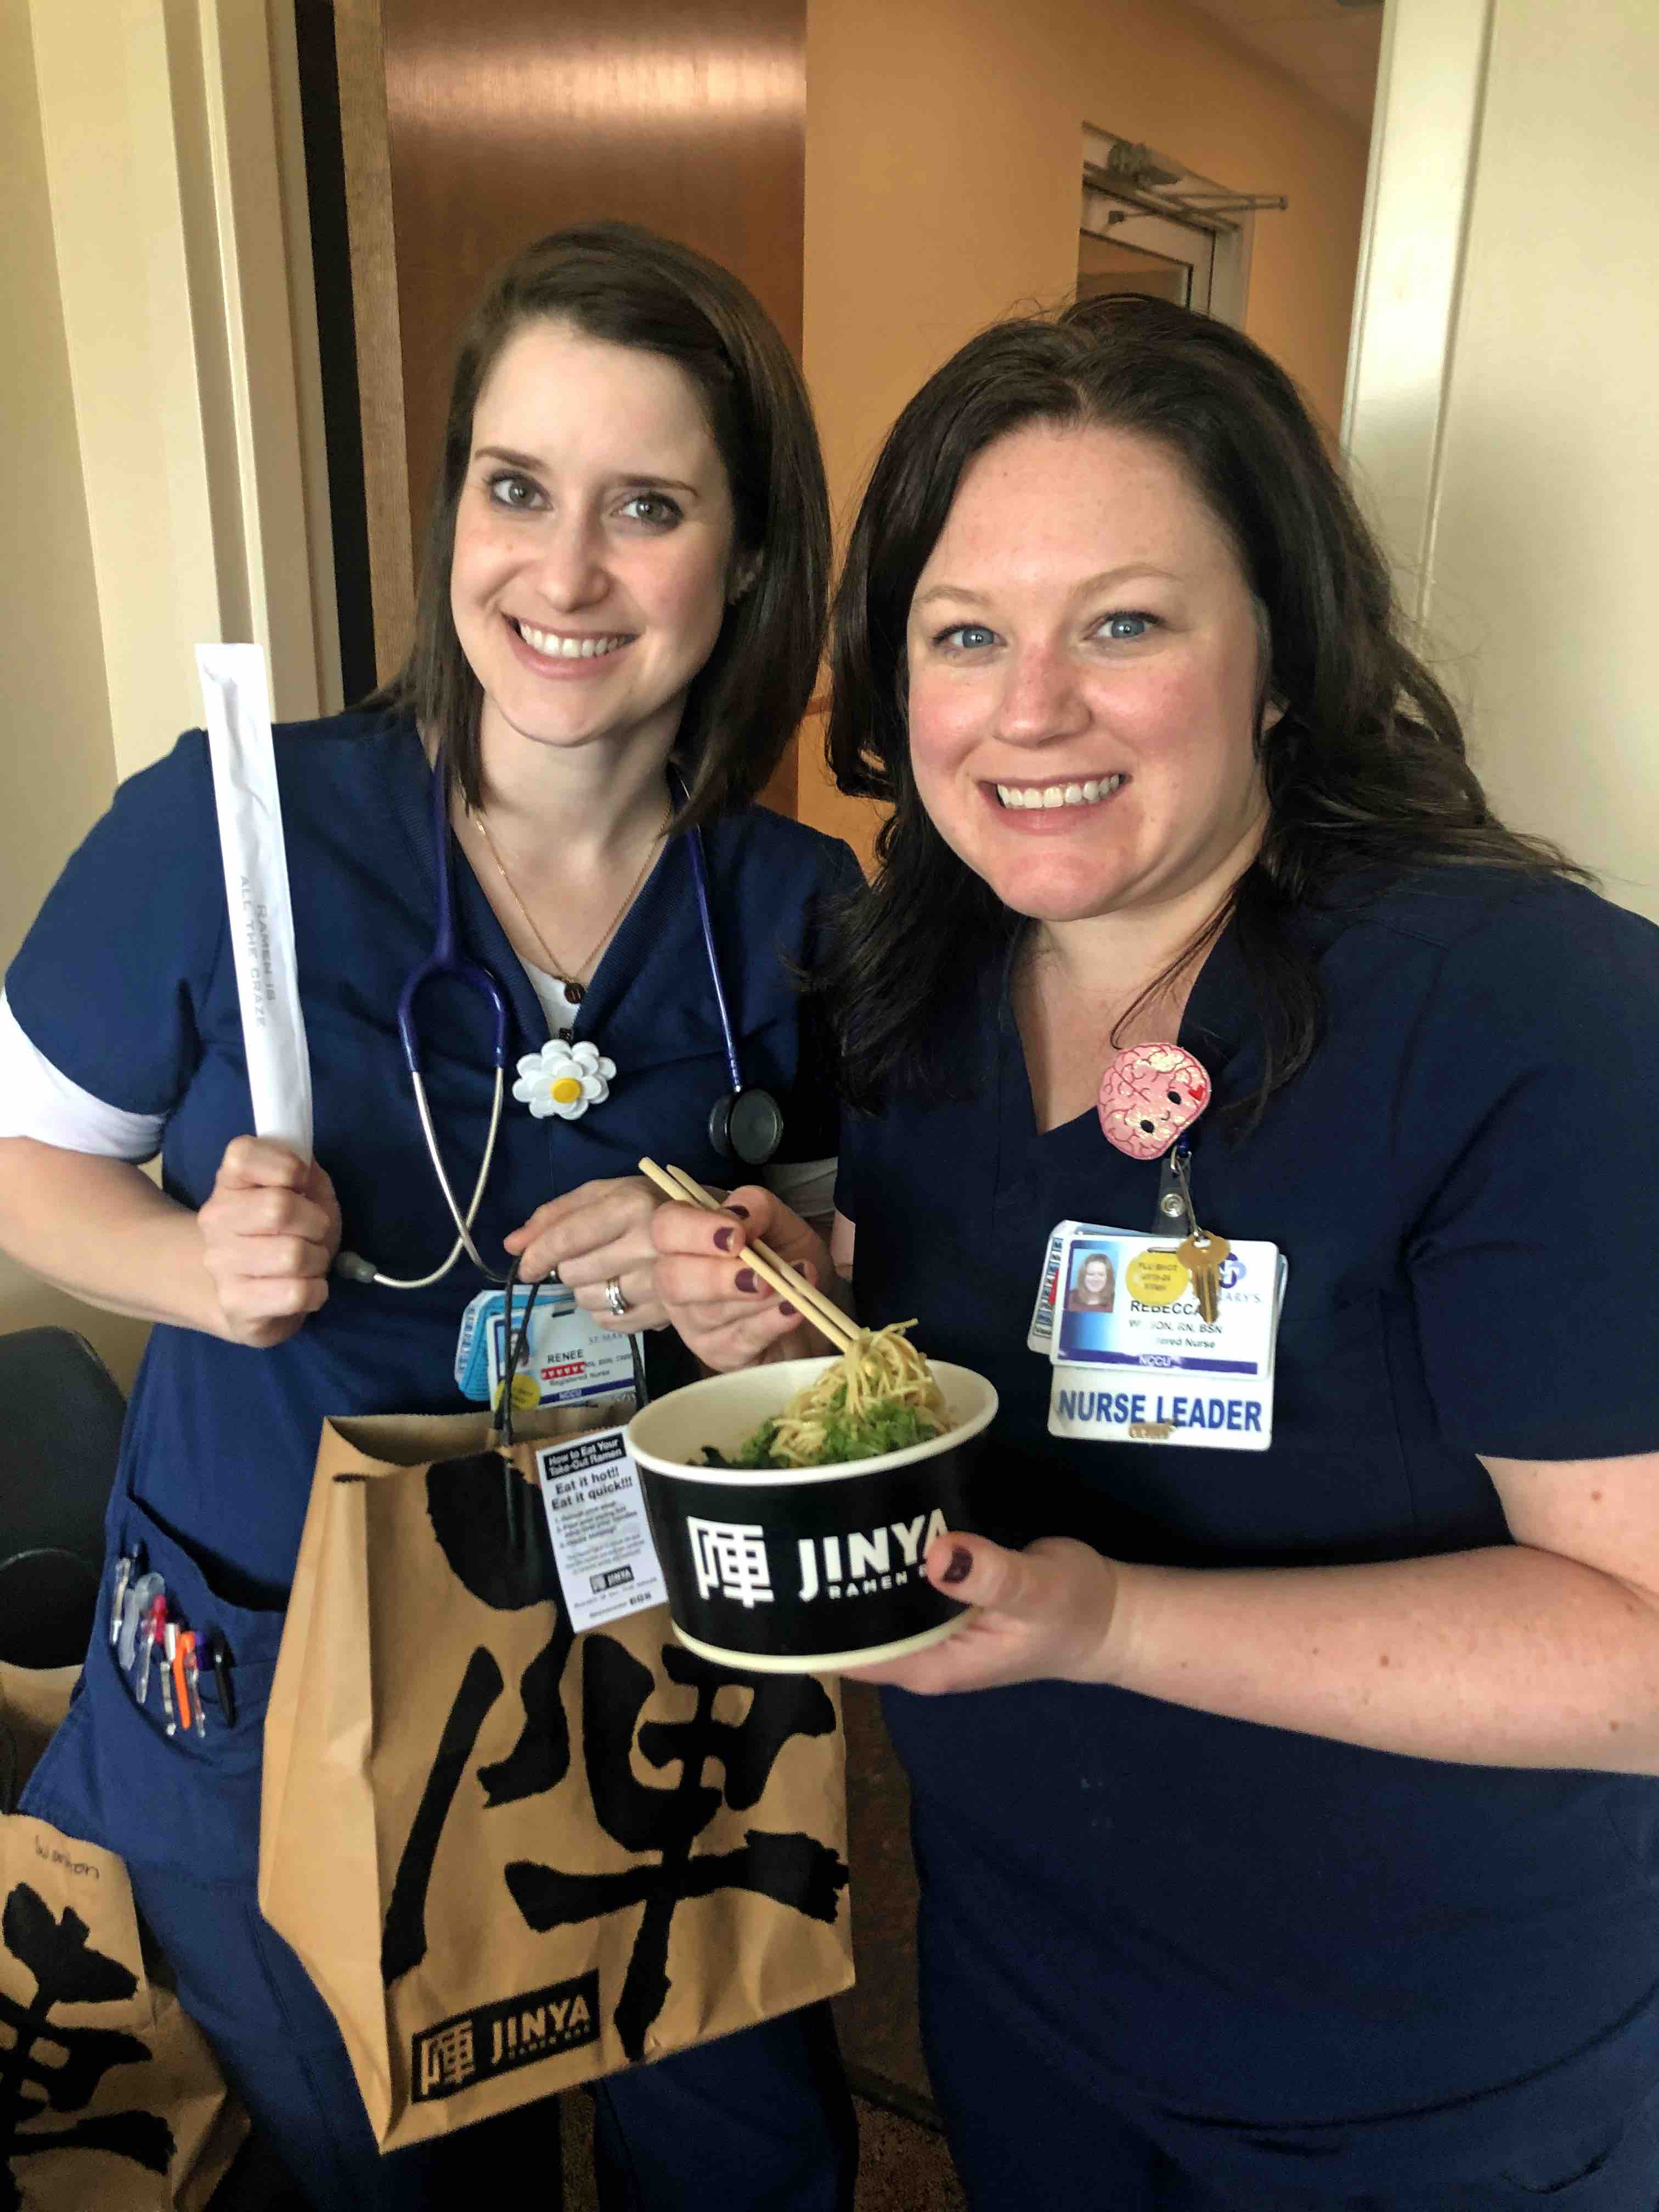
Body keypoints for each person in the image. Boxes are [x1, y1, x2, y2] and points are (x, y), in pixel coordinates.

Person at [652, 295, 1659, 2208]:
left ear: (1280, 654)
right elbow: (985, 1311)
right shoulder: (923, 980)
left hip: (1422, 2091)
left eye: (1124, 622)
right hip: (1030, 1999)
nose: (1030, 710)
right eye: (966, 635)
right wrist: (790, 1283)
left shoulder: (1537, 1017)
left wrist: (1114, 1624)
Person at [0, 222, 859, 2211]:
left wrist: (764, 1282)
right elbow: (26, 1157)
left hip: (658, 1686)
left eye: (646, 507)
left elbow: (840, 1288)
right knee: (397, 2171)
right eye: (515, 489)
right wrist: (186, 1269)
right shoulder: (224, 834)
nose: (562, 576)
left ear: (742, 563)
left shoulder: (804, 917)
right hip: (287, 1672)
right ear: (451, 508)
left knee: (742, 2155)